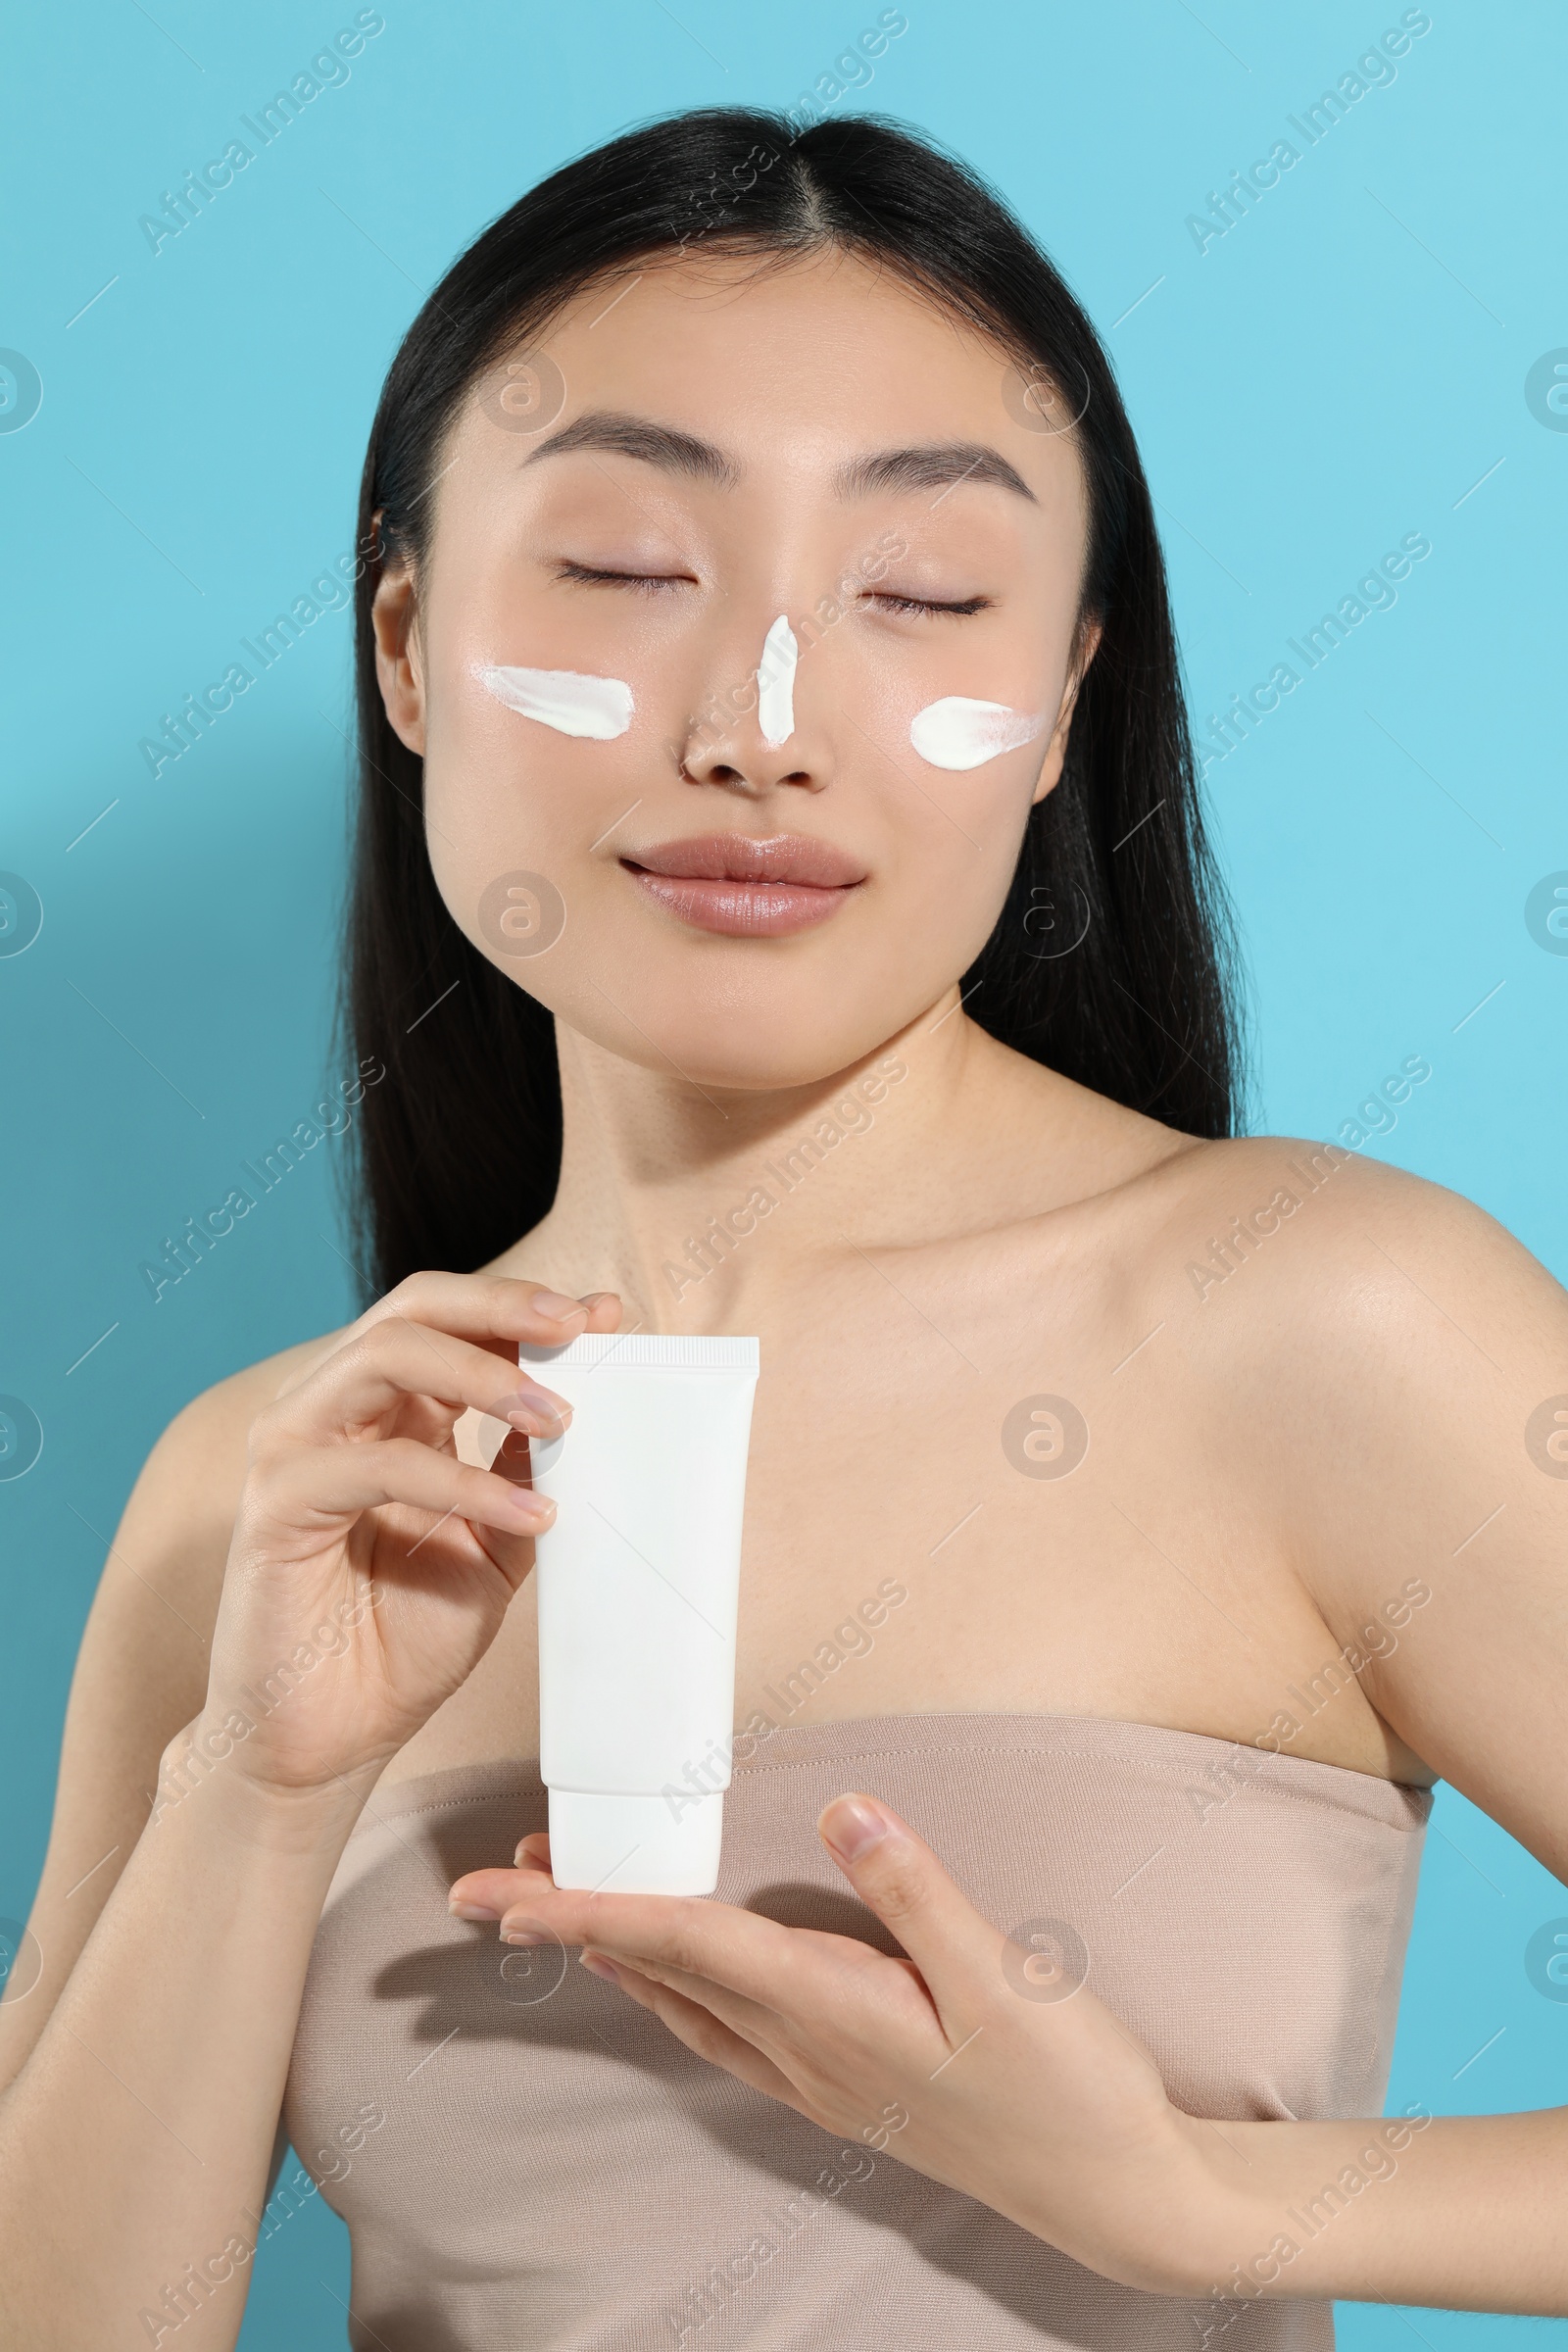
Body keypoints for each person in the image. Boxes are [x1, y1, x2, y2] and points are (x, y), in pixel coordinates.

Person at [2, 108, 1564, 2351]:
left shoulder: (1321, 1325)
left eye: (921, 597)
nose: (762, 727)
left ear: (1052, 708)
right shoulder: (263, 1497)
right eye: (629, 574)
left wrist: (1194, 2209)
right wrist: (256, 1792)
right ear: (411, 649)